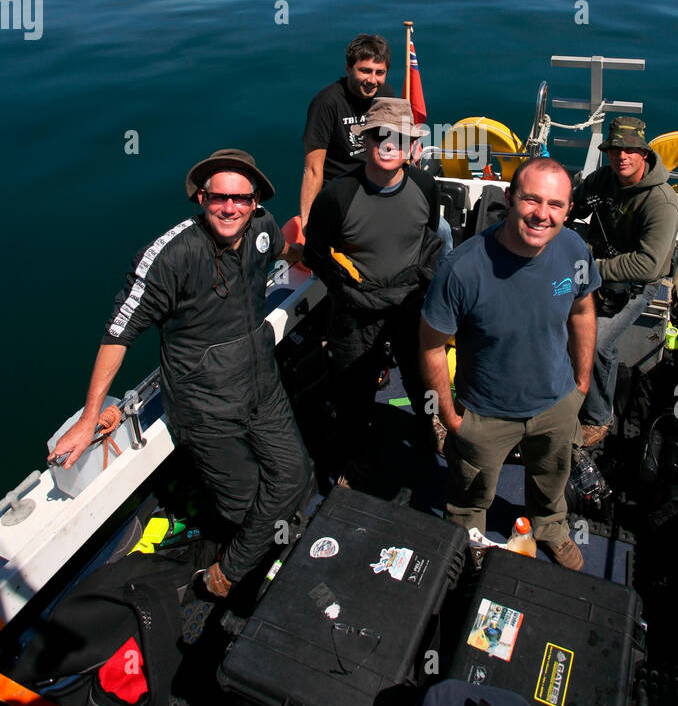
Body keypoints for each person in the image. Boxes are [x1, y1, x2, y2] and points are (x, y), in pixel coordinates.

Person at [48, 149, 313, 599]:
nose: (229, 208)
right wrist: (91, 416)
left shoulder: (264, 228)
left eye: (241, 199)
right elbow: (118, 332)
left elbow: (288, 250)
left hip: (261, 386)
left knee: (299, 473)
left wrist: (323, 260)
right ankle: (226, 577)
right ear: (201, 198)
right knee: (248, 505)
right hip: (204, 406)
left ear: (254, 202)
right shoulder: (170, 256)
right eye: (218, 198)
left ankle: (236, 565)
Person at [419, 158, 600, 571]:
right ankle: (470, 541)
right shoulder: (461, 269)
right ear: (508, 199)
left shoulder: (573, 248)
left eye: (555, 204)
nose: (542, 214)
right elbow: (430, 347)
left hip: (557, 404)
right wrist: (448, 415)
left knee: (553, 480)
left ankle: (551, 527)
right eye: (531, 199)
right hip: (483, 413)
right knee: (469, 495)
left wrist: (582, 382)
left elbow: (583, 310)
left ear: (568, 210)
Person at [303, 98, 444, 484]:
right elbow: (316, 252)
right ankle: (353, 455)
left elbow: (426, 235)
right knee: (353, 386)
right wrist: (348, 291)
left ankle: (429, 427)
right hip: (355, 310)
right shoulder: (336, 195)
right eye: (379, 135)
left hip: (409, 303)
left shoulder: (425, 187)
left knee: (420, 376)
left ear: (412, 147)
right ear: (364, 141)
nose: (387, 144)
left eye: (398, 137)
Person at [569, 116, 678, 448]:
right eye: (615, 149)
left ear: (644, 154)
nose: (622, 157)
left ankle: (600, 417)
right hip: (593, 267)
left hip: (635, 284)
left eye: (630, 150)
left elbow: (648, 265)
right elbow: (575, 204)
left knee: (596, 343)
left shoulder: (660, 203)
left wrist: (589, 269)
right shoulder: (604, 179)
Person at [299, 33, 396, 229]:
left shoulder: (386, 95)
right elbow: (313, 170)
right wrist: (308, 224)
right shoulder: (327, 103)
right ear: (348, 68)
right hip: (340, 189)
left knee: (441, 229)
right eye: (365, 71)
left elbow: (392, 146)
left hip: (377, 181)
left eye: (379, 72)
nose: (372, 80)